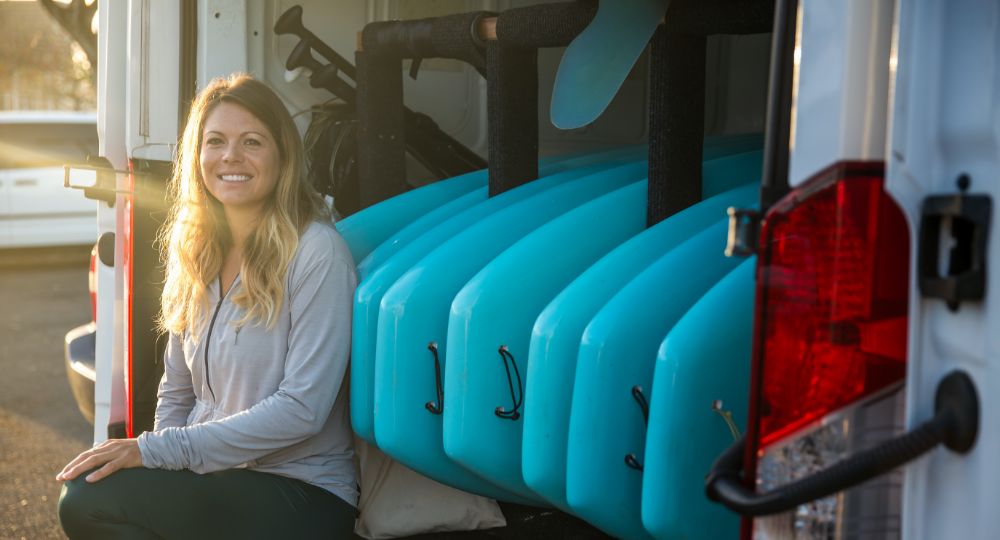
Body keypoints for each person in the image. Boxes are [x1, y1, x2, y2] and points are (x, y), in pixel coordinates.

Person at [57, 73, 360, 539]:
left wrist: (161, 452)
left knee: (88, 500)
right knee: (88, 488)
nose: (230, 157)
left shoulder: (317, 251)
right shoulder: (197, 250)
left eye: (252, 142)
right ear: (197, 158)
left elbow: (303, 408)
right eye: (214, 141)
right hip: (217, 474)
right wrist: (159, 458)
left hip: (302, 487)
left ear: (283, 155)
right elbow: (177, 389)